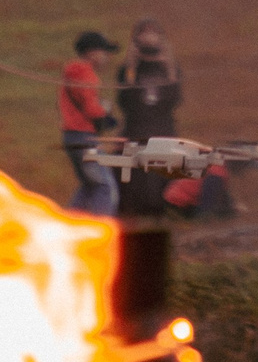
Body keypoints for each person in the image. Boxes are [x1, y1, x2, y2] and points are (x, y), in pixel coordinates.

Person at [114, 20, 184, 216]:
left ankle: (164, 208)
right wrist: (132, 67)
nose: (149, 37)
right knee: (135, 170)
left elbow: (175, 100)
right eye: (144, 33)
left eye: (153, 33)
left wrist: (168, 68)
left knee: (163, 169)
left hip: (162, 127)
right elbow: (124, 101)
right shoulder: (128, 69)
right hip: (136, 127)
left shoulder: (170, 68)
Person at [60, 30, 120, 217]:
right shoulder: (85, 73)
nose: (107, 57)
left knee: (89, 185)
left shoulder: (74, 72)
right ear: (92, 52)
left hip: (72, 136)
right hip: (83, 138)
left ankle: (66, 225)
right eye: (105, 52)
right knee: (104, 186)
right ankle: (103, 233)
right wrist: (106, 115)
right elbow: (91, 108)